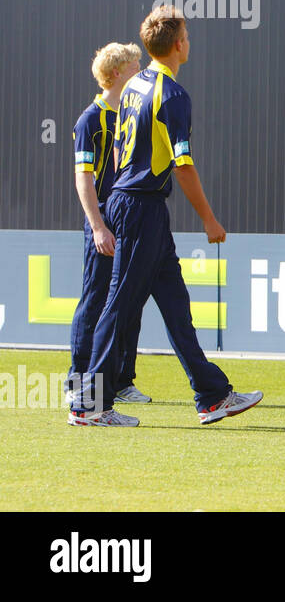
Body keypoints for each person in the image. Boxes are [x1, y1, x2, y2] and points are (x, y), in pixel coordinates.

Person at [69, 7, 262, 427]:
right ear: (178, 45)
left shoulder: (136, 83)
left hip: (136, 203)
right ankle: (89, 405)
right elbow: (183, 165)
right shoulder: (172, 95)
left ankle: (212, 395)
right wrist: (210, 219)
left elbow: (125, 150)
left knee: (175, 304)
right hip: (141, 206)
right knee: (117, 305)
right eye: (187, 36)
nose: (189, 42)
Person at [68, 42, 150, 409]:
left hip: (129, 217)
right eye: (136, 65)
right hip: (103, 222)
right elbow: (83, 178)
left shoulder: (132, 112)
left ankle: (119, 380)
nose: (142, 69)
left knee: (128, 299)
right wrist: (98, 226)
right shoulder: (91, 119)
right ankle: (79, 378)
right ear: (117, 73)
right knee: (95, 299)